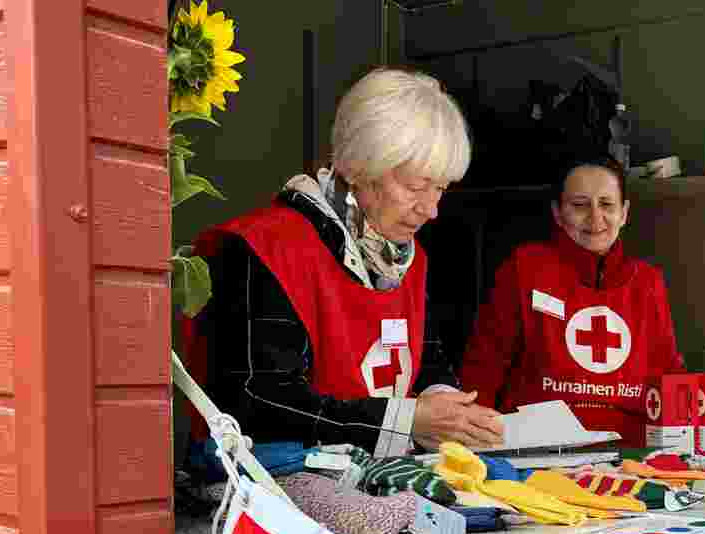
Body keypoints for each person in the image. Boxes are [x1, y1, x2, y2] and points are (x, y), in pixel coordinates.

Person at [190, 68, 504, 459]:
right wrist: (405, 421)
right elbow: (258, 402)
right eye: (415, 186)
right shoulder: (265, 248)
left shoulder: (408, 258)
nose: (431, 209)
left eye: (440, 188)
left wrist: (449, 409)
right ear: (357, 167)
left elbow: (425, 362)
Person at [457, 156, 685, 446]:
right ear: (557, 212)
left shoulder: (648, 282)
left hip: (628, 451)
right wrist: (468, 441)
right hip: (536, 450)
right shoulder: (525, 268)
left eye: (607, 204)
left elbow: (668, 374)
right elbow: (485, 366)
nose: (595, 218)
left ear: (625, 212)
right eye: (579, 205)